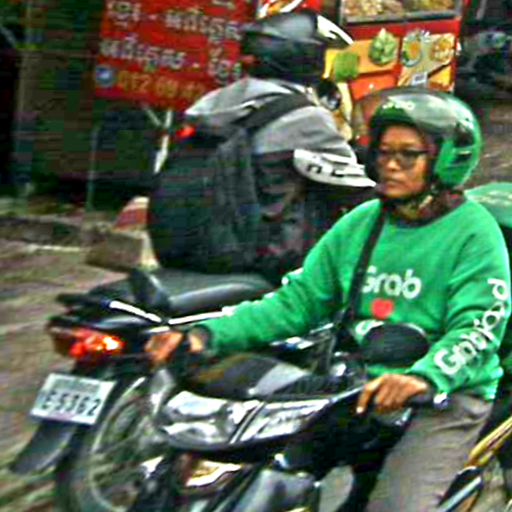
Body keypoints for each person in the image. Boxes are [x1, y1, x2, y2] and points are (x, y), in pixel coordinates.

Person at [146, 88, 511, 511]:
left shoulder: (474, 233)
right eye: (383, 152)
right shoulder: (362, 222)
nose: (390, 165)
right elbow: (297, 302)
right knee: (264, 476)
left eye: (408, 155)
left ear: (445, 161)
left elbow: (479, 326)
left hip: (443, 397)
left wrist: (425, 377)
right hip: (354, 386)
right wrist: (205, 335)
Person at [181, 10, 374, 280]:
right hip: (270, 259)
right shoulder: (303, 117)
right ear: (306, 57)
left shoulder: (214, 103)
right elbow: (354, 188)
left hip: (203, 244)